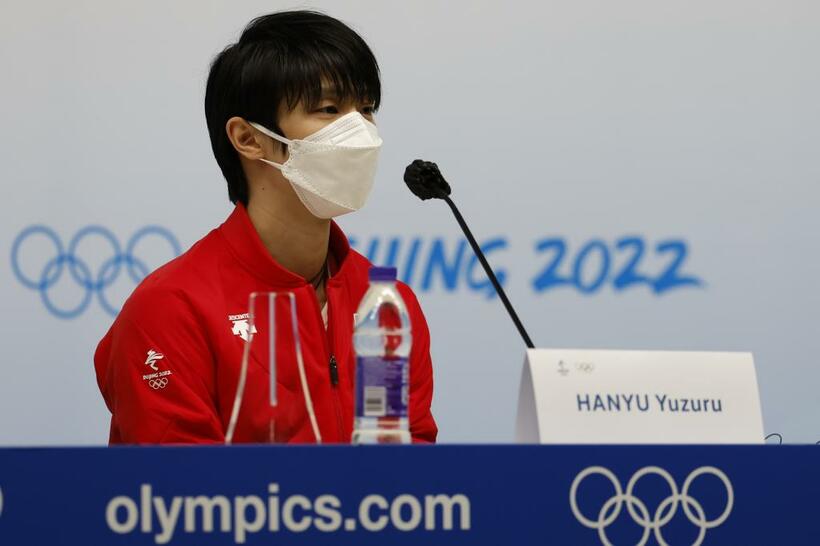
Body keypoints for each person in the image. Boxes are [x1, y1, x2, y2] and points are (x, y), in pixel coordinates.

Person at [93, 10, 437, 444]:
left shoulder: (387, 306)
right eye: (329, 110)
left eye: (366, 109)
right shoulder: (172, 310)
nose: (361, 132)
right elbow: (179, 499)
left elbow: (417, 475)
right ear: (248, 138)